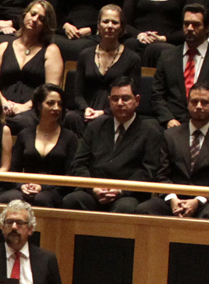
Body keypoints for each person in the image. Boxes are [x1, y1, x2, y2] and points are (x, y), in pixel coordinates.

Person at [67, 78, 163, 213]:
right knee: (73, 200)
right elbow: (79, 163)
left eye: (125, 98)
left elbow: (148, 171)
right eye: (115, 99)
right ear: (109, 100)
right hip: (94, 191)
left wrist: (119, 190)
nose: (119, 103)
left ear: (137, 100)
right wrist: (93, 187)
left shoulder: (150, 132)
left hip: (127, 194)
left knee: (126, 208)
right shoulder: (96, 126)